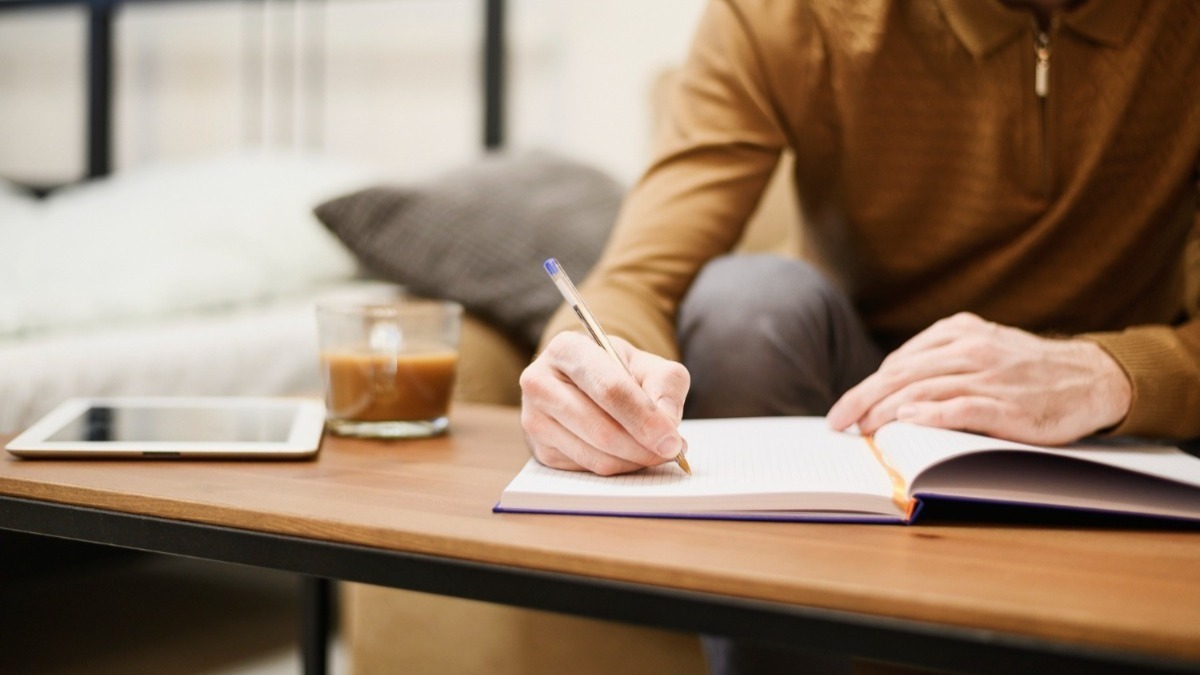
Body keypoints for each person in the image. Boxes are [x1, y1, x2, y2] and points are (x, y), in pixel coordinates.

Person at [520, 0, 1198, 671]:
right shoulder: (790, 14)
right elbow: (640, 277)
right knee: (746, 308)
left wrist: (1114, 371)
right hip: (861, 403)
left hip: (1116, 419)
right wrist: (585, 368)